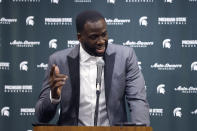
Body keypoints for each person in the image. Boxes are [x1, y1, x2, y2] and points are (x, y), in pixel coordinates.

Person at [35, 10, 150, 126]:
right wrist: (54, 96)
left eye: (104, 34)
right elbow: (42, 117)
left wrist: (140, 129)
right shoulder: (58, 61)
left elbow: (137, 100)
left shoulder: (125, 56)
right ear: (79, 37)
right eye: (94, 37)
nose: (101, 41)